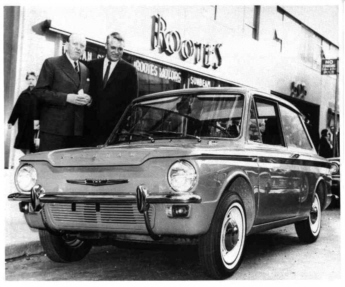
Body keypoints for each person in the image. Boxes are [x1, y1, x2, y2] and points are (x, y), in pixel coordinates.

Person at [34, 33, 91, 151]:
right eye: (75, 44)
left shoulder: (85, 69)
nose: (78, 48)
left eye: (82, 45)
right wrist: (66, 98)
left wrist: (89, 100)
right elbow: (39, 92)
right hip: (54, 131)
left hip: (76, 132)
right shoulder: (51, 63)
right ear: (66, 45)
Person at [85, 32, 138, 145]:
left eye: (120, 49)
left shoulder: (129, 71)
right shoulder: (91, 66)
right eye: (113, 47)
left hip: (113, 131)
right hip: (88, 128)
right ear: (106, 46)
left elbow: (132, 103)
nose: (116, 52)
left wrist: (125, 128)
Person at [8, 72, 39, 154]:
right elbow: (17, 108)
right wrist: (11, 122)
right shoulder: (24, 94)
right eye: (29, 79)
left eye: (33, 79)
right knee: (23, 144)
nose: (30, 81)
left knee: (33, 144)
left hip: (35, 123)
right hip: (23, 123)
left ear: (36, 80)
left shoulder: (39, 93)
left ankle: (29, 159)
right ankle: (27, 158)